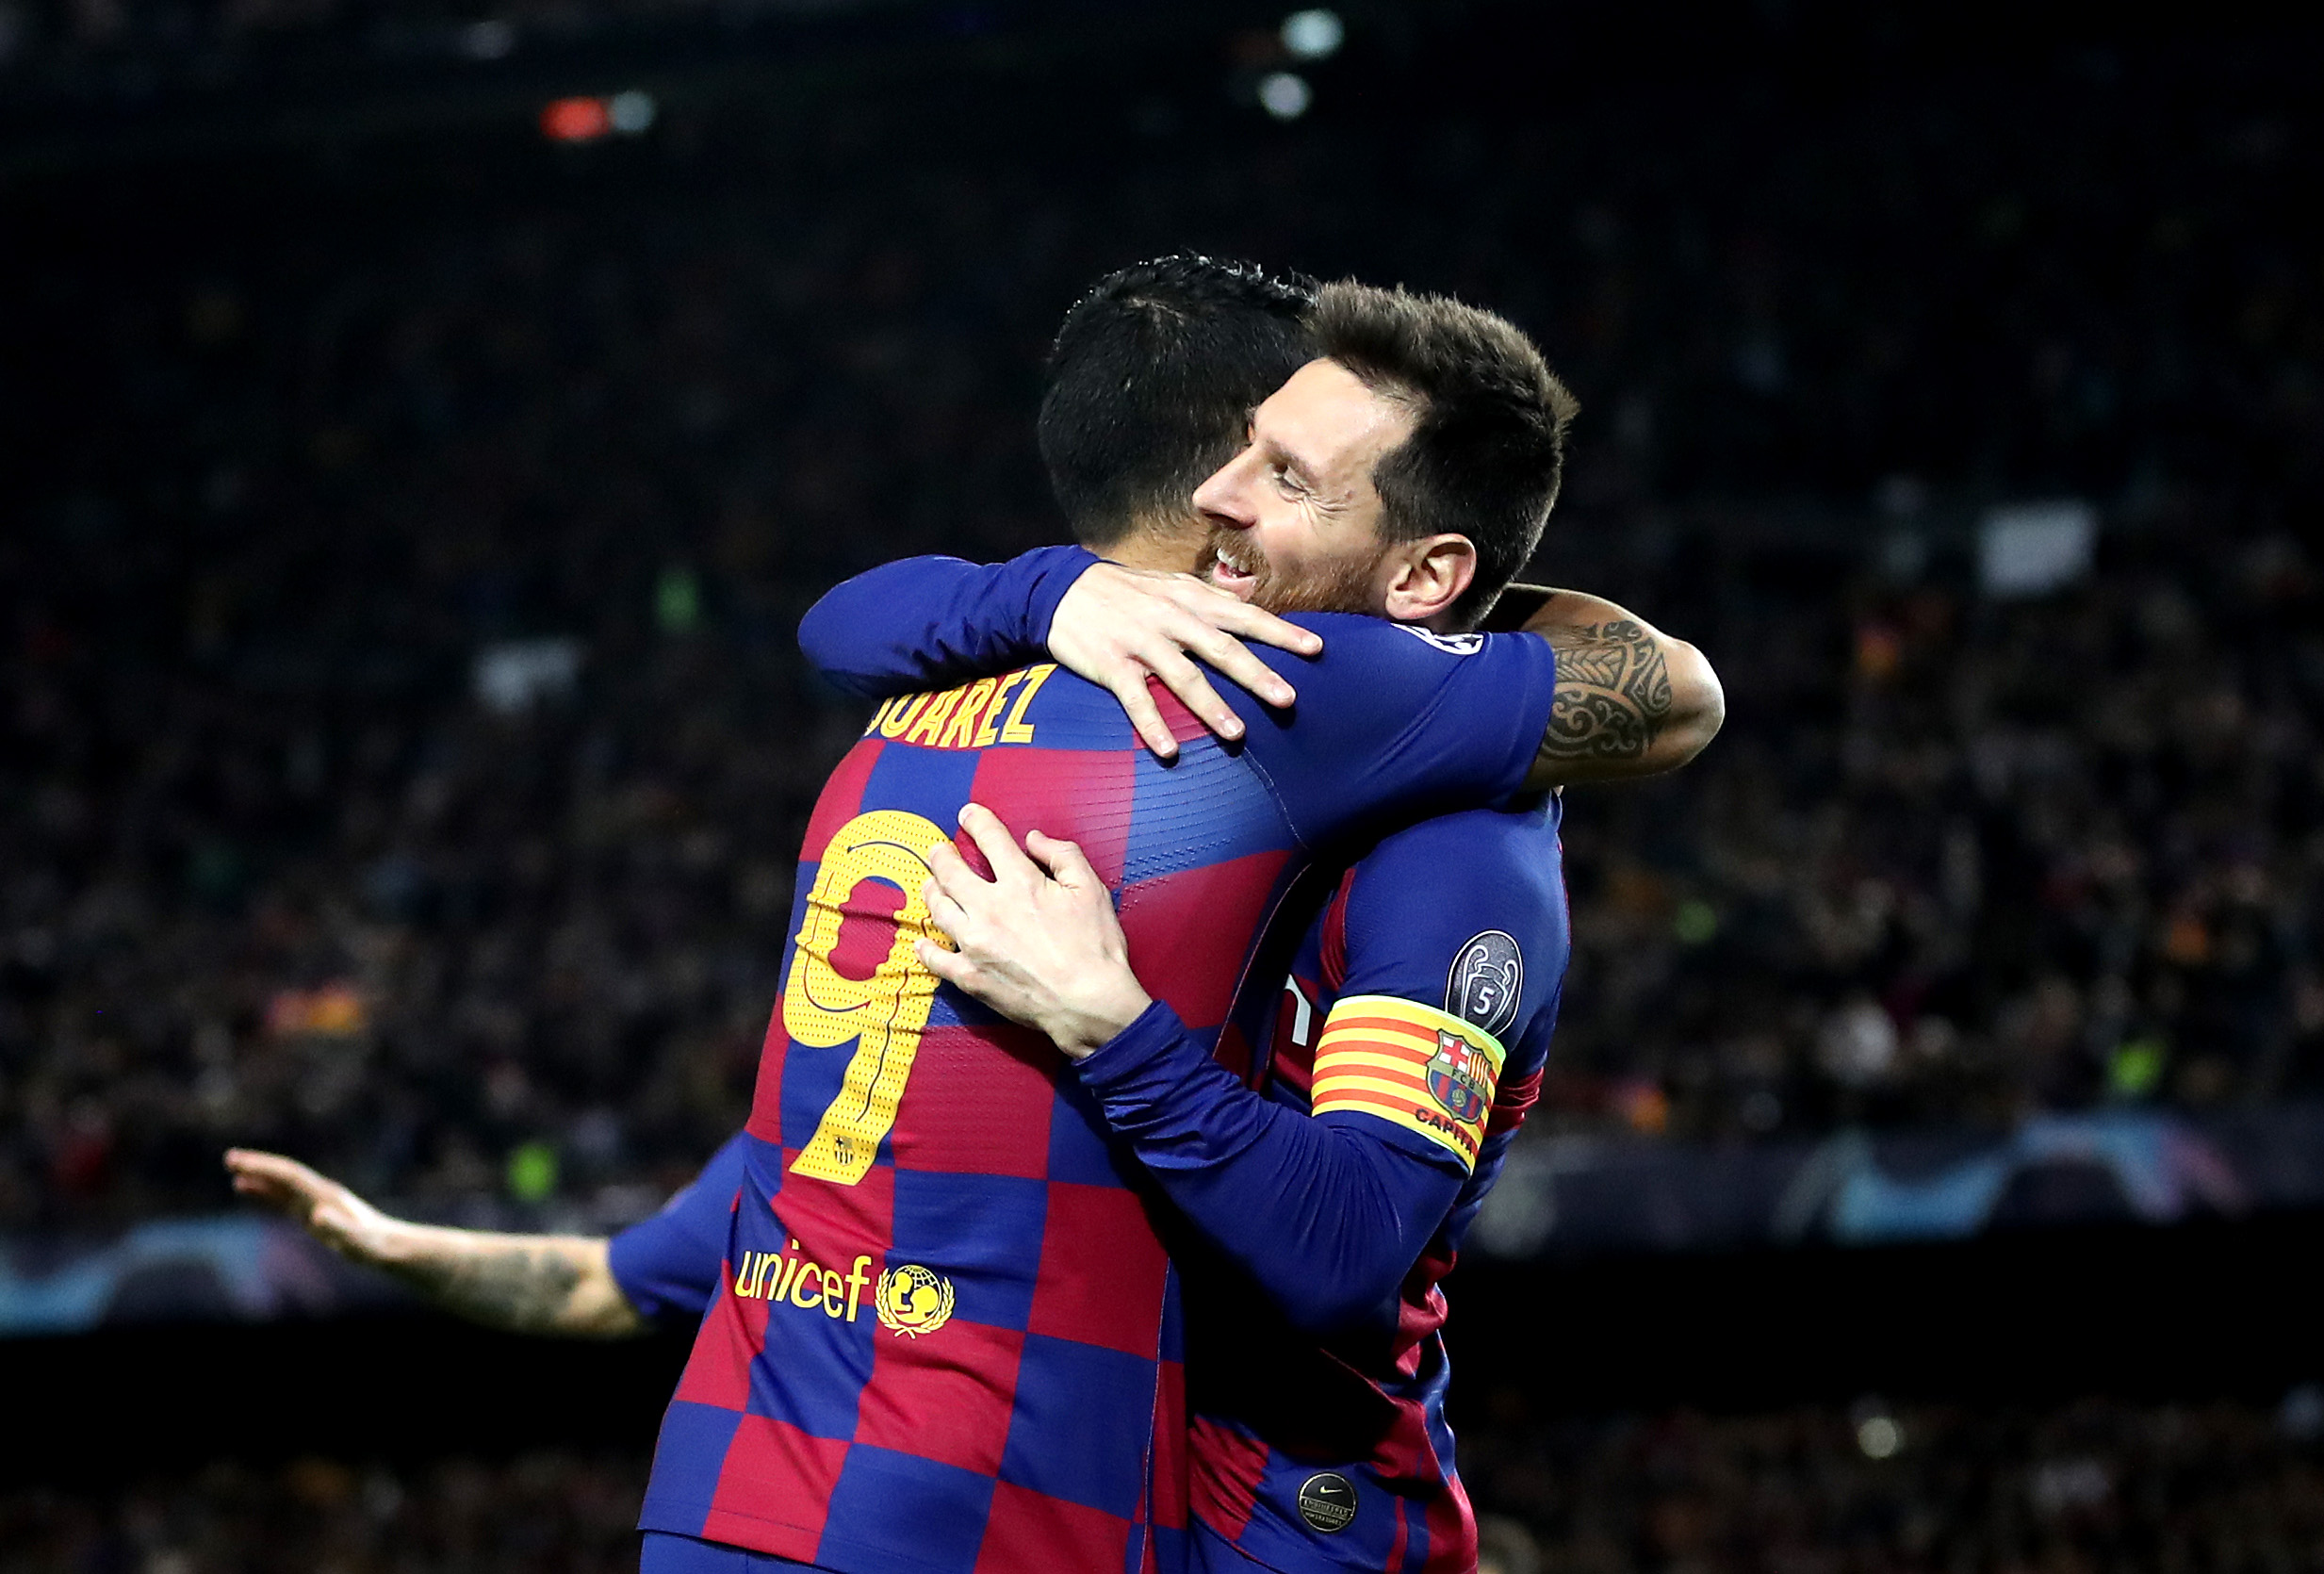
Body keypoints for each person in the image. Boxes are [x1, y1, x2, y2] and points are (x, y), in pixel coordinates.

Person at [800, 277, 1718, 1572]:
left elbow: (1342, 1248)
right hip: (1120, 1479)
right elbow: (841, 622)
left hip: (1304, 1519)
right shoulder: (1199, 719)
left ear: (1423, 576)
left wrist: (1111, 1026)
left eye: (1284, 477)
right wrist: (1049, 591)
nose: (1216, 495)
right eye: (1243, 446)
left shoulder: (1454, 841)